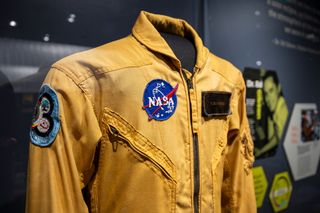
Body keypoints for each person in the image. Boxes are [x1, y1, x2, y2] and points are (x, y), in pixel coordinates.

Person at [255, 71, 288, 157]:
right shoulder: (276, 111)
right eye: (266, 93)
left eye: (271, 90)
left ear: (279, 88)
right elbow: (277, 137)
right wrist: (261, 151)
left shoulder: (283, 109)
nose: (268, 98)